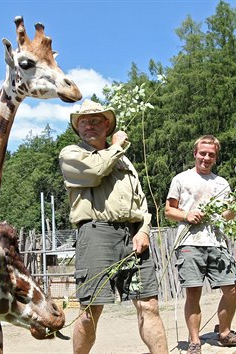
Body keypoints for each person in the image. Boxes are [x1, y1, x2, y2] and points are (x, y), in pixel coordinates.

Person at [59, 99, 168, 354]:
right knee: (90, 311)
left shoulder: (125, 163)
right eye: (84, 122)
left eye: (96, 120)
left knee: (149, 304)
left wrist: (143, 230)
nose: (89, 126)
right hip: (96, 234)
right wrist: (117, 145)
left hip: (132, 235)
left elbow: (141, 203)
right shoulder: (71, 154)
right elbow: (95, 171)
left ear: (107, 124)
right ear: (78, 127)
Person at [164, 135, 236, 354]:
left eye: (211, 154)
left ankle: (224, 333)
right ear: (195, 153)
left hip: (217, 242)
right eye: (202, 153)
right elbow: (168, 211)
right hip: (189, 242)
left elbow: (227, 216)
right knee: (193, 293)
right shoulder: (181, 179)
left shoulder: (221, 183)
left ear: (215, 157)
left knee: (232, 288)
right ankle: (195, 341)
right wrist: (187, 215)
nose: (206, 157)